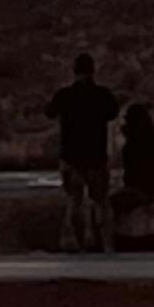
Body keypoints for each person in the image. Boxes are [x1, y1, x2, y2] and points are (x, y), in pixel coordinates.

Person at [45, 53, 122, 253]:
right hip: (96, 156)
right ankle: (106, 244)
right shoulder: (103, 95)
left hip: (70, 157)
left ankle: (75, 242)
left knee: (74, 200)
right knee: (102, 201)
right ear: (92, 71)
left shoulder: (64, 95)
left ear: (74, 71)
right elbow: (113, 112)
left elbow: (50, 112)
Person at [117, 97, 154, 228]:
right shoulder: (153, 143)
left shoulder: (133, 146)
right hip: (148, 189)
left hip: (140, 191)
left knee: (103, 205)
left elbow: (131, 174)